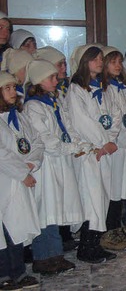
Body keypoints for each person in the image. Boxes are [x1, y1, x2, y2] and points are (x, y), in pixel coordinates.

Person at [23, 60, 81, 275]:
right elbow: (45, 139)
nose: (57, 80)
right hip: (46, 165)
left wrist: (76, 144)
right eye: (51, 78)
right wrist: (68, 147)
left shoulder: (52, 102)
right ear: (39, 80)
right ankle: (43, 257)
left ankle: (55, 254)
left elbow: (66, 126)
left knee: (55, 208)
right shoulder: (33, 107)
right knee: (46, 209)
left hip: (59, 163)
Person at [67, 44, 118, 263]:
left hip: (104, 151)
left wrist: (111, 140)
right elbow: (82, 121)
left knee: (103, 197)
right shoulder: (76, 90)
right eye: (95, 59)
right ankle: (86, 247)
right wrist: (102, 142)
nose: (100, 62)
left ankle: (95, 243)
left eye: (101, 59)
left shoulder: (105, 88)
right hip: (90, 152)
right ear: (84, 61)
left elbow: (115, 114)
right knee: (92, 198)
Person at [0, 71, 41, 289]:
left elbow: (36, 142)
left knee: (17, 227)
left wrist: (33, 163)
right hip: (5, 182)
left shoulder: (19, 117)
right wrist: (21, 173)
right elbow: (2, 154)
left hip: (19, 182)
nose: (13, 92)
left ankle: (18, 272)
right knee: (3, 232)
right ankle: (4, 275)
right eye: (6, 88)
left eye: (13, 87)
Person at [98, 46, 126, 251]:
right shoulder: (105, 90)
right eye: (112, 62)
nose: (117, 66)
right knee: (111, 189)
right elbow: (109, 120)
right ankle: (109, 229)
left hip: (124, 146)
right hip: (113, 147)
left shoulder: (122, 88)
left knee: (119, 188)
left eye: (119, 62)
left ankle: (116, 226)